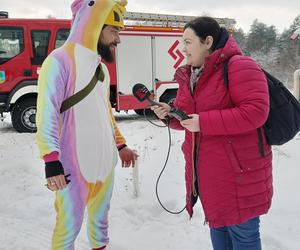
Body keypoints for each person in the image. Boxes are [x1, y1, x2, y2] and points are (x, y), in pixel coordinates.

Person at [151, 16, 272, 250]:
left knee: (243, 238)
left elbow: (256, 112)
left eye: (187, 42)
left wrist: (203, 122)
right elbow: (189, 118)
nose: (182, 48)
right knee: (219, 235)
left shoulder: (240, 65)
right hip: (210, 176)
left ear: (207, 41)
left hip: (239, 175)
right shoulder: (193, 74)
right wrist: (170, 115)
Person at [36, 0, 138, 249]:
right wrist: (51, 160)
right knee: (67, 229)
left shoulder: (102, 70)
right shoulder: (59, 61)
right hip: (73, 168)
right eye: (114, 31)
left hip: (104, 165)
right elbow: (46, 113)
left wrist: (121, 145)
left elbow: (106, 114)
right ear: (96, 26)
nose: (118, 40)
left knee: (100, 225)